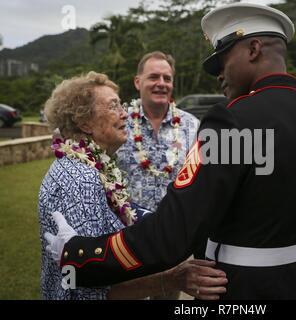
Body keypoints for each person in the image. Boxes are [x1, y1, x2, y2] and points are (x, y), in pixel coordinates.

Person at [45, 3, 296, 299]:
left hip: (244, 289)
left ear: (254, 50)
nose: (218, 75)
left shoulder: (234, 121)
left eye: (222, 61)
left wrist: (80, 255)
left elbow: (173, 234)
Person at [39, 71, 226, 299]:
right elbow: (83, 286)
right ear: (84, 122)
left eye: (122, 105)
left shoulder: (96, 167)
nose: (124, 114)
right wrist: (172, 280)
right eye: (113, 107)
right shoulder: (80, 178)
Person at [116, 51, 200, 299]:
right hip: (125, 238)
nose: (161, 83)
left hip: (172, 241)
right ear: (137, 82)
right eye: (154, 76)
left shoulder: (191, 125)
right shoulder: (117, 122)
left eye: (167, 78)